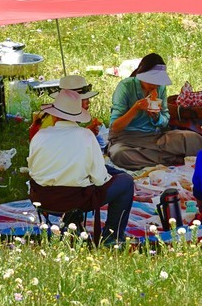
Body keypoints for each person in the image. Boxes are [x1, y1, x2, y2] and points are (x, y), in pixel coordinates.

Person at [27, 92, 134, 243]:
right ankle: (112, 236)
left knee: (112, 173)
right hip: (75, 200)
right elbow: (99, 179)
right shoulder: (86, 135)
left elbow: (33, 169)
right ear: (77, 116)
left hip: (42, 198)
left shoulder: (40, 135)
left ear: (55, 116)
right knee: (126, 182)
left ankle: (74, 222)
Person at [108, 53, 202, 170]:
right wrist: (135, 108)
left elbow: (165, 119)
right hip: (127, 138)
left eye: (157, 82)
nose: (155, 86)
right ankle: (172, 159)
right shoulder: (125, 87)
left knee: (190, 138)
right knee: (120, 155)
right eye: (151, 81)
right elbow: (115, 127)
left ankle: (164, 157)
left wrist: (156, 117)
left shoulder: (160, 88)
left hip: (155, 137)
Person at [29, 74, 101, 140]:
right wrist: (86, 135)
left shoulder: (62, 117)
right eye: (85, 98)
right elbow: (64, 144)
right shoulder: (53, 121)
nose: (88, 102)